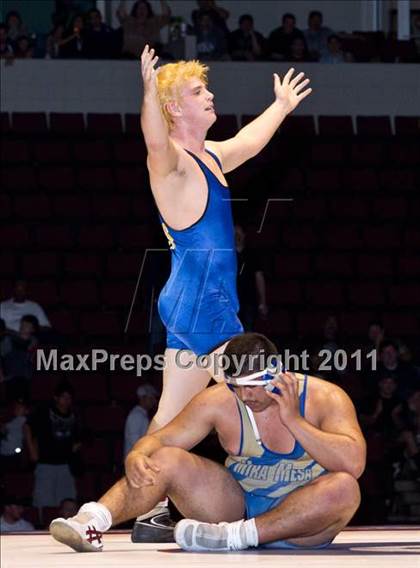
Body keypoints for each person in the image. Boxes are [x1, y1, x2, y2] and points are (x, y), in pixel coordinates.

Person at [136, 44, 311, 534]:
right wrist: (150, 93)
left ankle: (144, 509)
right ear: (175, 108)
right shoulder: (170, 164)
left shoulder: (209, 156)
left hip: (194, 307)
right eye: (199, 91)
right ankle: (292, 485)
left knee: (171, 419)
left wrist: (279, 107)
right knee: (267, 386)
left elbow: (249, 143)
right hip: (203, 311)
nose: (210, 95)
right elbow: (153, 140)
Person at [49, 332, 365, 552]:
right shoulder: (218, 400)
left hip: (302, 523)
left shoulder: (324, 397)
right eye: (236, 386)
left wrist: (294, 419)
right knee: (165, 458)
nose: (246, 396)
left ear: (276, 373)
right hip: (237, 508)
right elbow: (159, 439)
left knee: (344, 488)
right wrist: (138, 453)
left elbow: (353, 463)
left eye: (254, 386)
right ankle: (91, 520)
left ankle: (236, 538)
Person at [24, 381, 82, 509]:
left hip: (65, 465)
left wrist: (76, 447)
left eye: (69, 398)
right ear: (56, 397)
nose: (67, 400)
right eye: (64, 397)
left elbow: (82, 436)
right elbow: (27, 426)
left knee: (68, 502)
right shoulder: (44, 411)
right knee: (44, 501)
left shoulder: (74, 415)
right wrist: (32, 450)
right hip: (45, 464)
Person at [235, 224, 268, 331]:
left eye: (239, 233)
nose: (237, 236)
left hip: (249, 302)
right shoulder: (227, 255)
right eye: (234, 233)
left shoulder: (252, 255)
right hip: (231, 303)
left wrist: (262, 302)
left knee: (248, 334)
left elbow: (259, 278)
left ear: (244, 235)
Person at [124, 383, 158, 459]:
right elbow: (134, 441)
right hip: (135, 459)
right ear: (142, 398)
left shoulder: (141, 414)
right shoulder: (136, 415)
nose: (154, 401)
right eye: (151, 398)